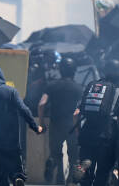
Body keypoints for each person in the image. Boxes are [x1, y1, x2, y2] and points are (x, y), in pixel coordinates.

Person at [73, 59, 119, 186]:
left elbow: (76, 113)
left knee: (86, 172)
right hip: (108, 135)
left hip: (87, 133)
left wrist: (78, 132)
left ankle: (84, 170)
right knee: (103, 172)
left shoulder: (94, 86)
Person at [38, 57, 83, 185]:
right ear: (74, 71)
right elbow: (79, 110)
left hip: (55, 125)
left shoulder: (51, 85)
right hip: (72, 126)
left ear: (60, 70)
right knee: (74, 157)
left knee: (56, 154)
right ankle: (70, 181)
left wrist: (41, 124)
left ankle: (58, 178)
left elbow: (41, 104)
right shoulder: (78, 88)